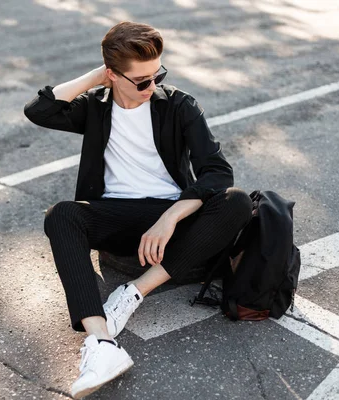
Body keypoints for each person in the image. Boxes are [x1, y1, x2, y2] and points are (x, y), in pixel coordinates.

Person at [24, 21, 252, 399]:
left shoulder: (179, 105)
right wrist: (98, 75)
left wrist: (171, 216)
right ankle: (101, 344)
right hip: (116, 216)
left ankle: (132, 293)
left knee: (238, 201)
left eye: (157, 74)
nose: (152, 85)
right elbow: (39, 110)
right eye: (142, 80)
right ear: (113, 76)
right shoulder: (95, 109)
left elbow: (216, 172)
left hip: (170, 215)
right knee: (60, 214)